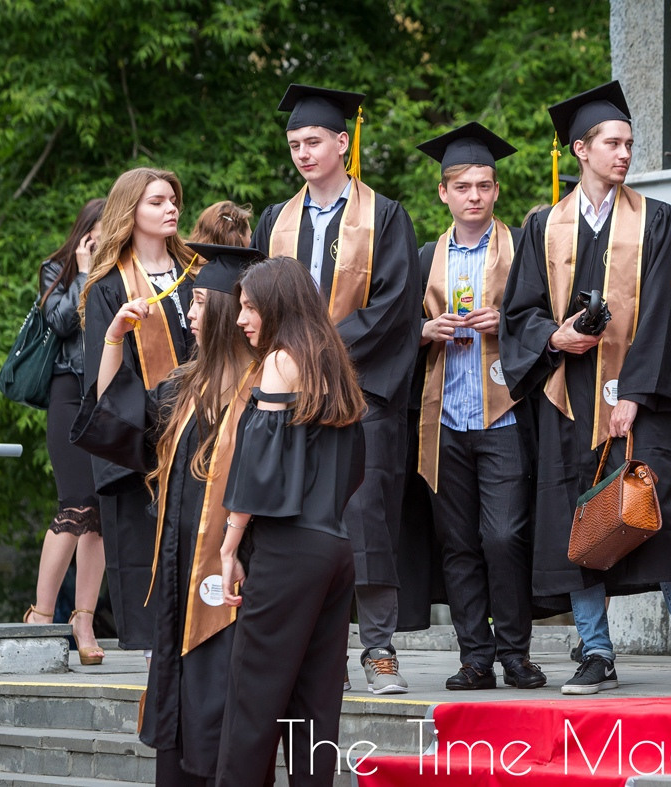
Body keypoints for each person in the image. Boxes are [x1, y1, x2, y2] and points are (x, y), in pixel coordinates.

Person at [499, 80, 671, 695]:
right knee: (582, 526)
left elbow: (664, 317)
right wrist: (553, 339)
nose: (624, 154)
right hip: (568, 397)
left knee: (656, 517)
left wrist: (634, 396)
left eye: (628, 143)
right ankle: (596, 652)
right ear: (580, 151)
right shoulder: (544, 225)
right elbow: (522, 312)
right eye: (612, 144)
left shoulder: (656, 219)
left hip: (636, 400)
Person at [250, 84, 420, 694]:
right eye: (294, 143)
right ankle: (318, 655)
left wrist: (318, 353)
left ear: (342, 143)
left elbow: (395, 307)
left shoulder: (387, 216)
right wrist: (289, 365)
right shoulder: (276, 219)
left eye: (314, 141)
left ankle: (377, 650)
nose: (302, 152)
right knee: (298, 520)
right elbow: (258, 302)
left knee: (365, 516)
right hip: (291, 394)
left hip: (361, 391)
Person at [74, 242, 262, 785]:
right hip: (180, 570)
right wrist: (113, 339)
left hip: (236, 572)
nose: (192, 314)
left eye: (201, 302)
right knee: (179, 702)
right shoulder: (185, 386)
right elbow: (118, 417)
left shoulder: (265, 389)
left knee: (223, 697)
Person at [217, 256, 367, 785]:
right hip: (334, 549)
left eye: (250, 307)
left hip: (287, 551)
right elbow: (355, 468)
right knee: (314, 703)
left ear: (278, 306)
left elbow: (259, 469)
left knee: (253, 701)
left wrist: (229, 545)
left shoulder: (281, 362)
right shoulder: (334, 363)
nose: (240, 319)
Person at [416, 122, 544, 691]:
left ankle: (515, 651)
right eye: (463, 186)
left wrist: (509, 322)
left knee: (503, 536)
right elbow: (396, 328)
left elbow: (546, 319)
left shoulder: (524, 250)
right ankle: (475, 656)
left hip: (504, 415)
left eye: (484, 185)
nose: (474, 195)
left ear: (496, 190)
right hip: (442, 417)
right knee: (459, 542)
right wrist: (425, 329)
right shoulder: (424, 257)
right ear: (443, 193)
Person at [77, 167, 196, 655]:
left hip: (199, 426)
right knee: (140, 538)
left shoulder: (198, 273)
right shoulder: (108, 286)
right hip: (139, 433)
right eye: (157, 202)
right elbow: (103, 383)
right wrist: (153, 417)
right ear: (132, 211)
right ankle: (153, 649)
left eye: (173, 201)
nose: (171, 209)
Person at [24, 198, 107, 667]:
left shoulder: (126, 269)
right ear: (85, 231)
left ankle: (84, 619)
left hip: (108, 396)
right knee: (75, 503)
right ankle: (40, 615)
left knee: (100, 512)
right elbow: (62, 321)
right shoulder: (56, 270)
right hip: (68, 393)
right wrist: (84, 270)